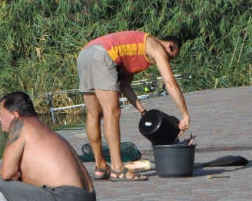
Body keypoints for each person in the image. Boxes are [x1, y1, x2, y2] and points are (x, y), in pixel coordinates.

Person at [77, 31, 190, 181]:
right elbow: (171, 84)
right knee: (112, 112)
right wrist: (185, 114)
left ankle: (101, 166)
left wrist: (142, 111)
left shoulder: (135, 52)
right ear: (170, 47)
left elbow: (124, 86)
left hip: (86, 54)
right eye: (170, 57)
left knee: (94, 114)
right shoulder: (156, 47)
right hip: (103, 54)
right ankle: (118, 168)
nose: (167, 61)